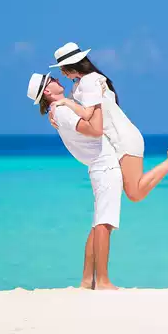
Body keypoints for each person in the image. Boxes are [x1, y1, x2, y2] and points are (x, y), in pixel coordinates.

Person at [48, 42, 168, 202]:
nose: (62, 73)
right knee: (134, 193)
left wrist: (65, 103)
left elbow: (86, 113)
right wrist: (54, 111)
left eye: (62, 69)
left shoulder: (90, 81)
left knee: (135, 194)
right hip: (118, 138)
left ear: (72, 66)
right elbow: (74, 109)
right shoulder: (83, 84)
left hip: (123, 138)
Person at [27, 71, 122, 290]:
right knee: (104, 223)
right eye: (52, 80)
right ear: (47, 91)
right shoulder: (62, 111)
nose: (57, 79)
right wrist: (96, 103)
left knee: (98, 223)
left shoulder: (60, 110)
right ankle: (103, 281)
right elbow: (95, 130)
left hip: (99, 166)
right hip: (105, 165)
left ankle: (88, 280)